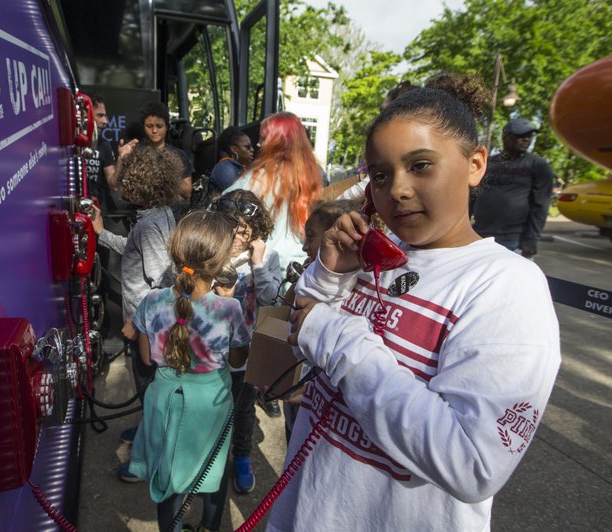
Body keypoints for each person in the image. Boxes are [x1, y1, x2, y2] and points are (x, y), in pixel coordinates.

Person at [268, 75, 561, 531]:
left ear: (476, 164)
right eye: (381, 176)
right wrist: (330, 273)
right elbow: (292, 338)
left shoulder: (508, 286)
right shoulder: (374, 260)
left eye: (420, 165)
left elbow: (473, 464)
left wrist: (335, 333)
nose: (397, 190)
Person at [129, 210, 251, 532]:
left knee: (167, 471)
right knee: (212, 471)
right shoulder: (229, 309)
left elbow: (145, 358)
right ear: (221, 260)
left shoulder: (151, 301)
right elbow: (239, 361)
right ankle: (210, 526)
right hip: (210, 404)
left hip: (165, 399)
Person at [91, 145, 183, 481]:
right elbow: (132, 249)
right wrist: (101, 234)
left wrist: (137, 323)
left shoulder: (149, 225)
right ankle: (147, 427)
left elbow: (162, 282)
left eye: (127, 177)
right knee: (149, 390)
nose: (121, 181)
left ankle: (147, 459)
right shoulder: (155, 216)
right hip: (144, 323)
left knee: (151, 391)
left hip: (146, 326)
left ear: (140, 184)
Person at [209, 190, 281, 494]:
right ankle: (208, 459)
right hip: (210, 352)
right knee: (211, 408)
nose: (237, 236)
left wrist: (259, 264)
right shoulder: (211, 252)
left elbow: (270, 299)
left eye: (244, 230)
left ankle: (241, 457)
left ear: (257, 229)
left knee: (243, 410)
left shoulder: (266, 258)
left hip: (245, 352)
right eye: (230, 228)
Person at [281, 199, 359, 443]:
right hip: (296, 388)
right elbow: (286, 308)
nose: (305, 247)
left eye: (311, 237)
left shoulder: (351, 289)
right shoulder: (313, 277)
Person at [223, 112, 323, 275]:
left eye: (263, 138)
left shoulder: (259, 177)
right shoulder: (312, 176)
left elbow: (220, 209)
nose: (257, 144)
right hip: (298, 268)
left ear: (277, 141)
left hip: (263, 267)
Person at [472, 118, 555, 258]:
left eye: (529, 136)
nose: (526, 139)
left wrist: (531, 240)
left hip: (514, 240)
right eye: (521, 135)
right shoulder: (489, 163)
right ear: (506, 137)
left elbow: (540, 206)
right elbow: (472, 195)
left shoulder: (538, 165)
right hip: (480, 236)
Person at [85, 92, 117, 216]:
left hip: (97, 213)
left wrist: (122, 160)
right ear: (85, 114)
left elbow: (113, 185)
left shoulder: (104, 144)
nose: (105, 121)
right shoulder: (68, 143)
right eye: (100, 115)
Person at [208, 127, 255, 196]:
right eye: (247, 147)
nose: (252, 149)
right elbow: (237, 196)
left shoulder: (242, 167)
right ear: (234, 149)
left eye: (251, 146)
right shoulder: (224, 168)